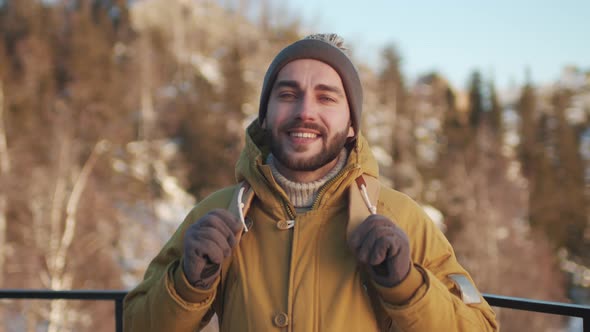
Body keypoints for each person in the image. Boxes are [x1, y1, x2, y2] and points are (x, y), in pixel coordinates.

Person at [124, 33, 499, 331]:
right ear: (266, 117)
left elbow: (481, 327)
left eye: (327, 98)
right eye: (288, 95)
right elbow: (135, 324)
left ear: (352, 126)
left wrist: (406, 285)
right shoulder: (217, 214)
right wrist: (190, 282)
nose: (305, 112)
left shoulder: (401, 218)